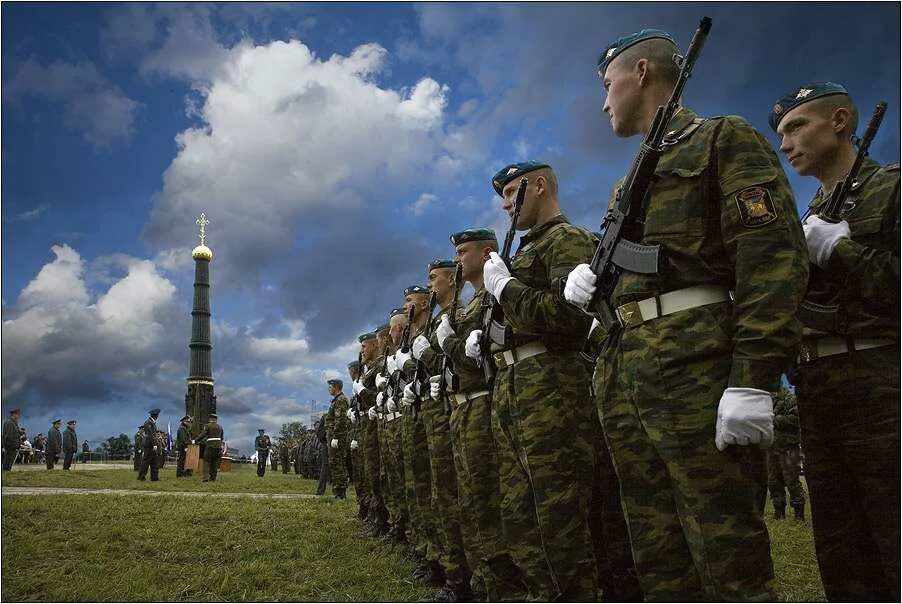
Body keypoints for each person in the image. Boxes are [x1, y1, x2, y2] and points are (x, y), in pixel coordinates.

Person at [564, 29, 808, 599]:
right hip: (628, 371)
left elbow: (772, 261)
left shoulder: (721, 139)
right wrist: (594, 287)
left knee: (724, 548)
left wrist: (753, 379)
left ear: (642, 73)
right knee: (655, 547)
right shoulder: (626, 185)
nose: (603, 102)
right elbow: (640, 272)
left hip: (694, 367)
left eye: (607, 85)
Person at [771, 81, 900, 601]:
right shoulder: (811, 217)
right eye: (780, 133)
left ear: (842, 121)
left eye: (797, 126)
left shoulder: (892, 189)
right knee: (841, 550)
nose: (785, 143)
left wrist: (842, 252)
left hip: (881, 381)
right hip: (819, 391)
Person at [464, 162, 601, 601]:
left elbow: (569, 318)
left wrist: (505, 289)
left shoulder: (568, 240)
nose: (505, 205)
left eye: (510, 193)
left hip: (552, 388)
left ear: (538, 185)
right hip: (515, 388)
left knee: (559, 512)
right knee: (521, 512)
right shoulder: (523, 251)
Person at [766, 389, 805, 520]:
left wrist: (774, 419)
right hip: (771, 448)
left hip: (788, 448)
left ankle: (799, 513)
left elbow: (796, 418)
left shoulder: (789, 398)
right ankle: (779, 510)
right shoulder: (764, 400)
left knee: (792, 481)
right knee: (773, 481)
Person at [325, 378, 350, 499]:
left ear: (336, 387)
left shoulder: (341, 400)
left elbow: (340, 420)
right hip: (334, 435)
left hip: (338, 436)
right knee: (334, 462)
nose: (329, 389)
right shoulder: (336, 400)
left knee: (338, 462)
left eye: (330, 387)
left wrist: (335, 437)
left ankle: (341, 491)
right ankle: (337, 490)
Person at [195, 413, 225, 482]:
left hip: (210, 446)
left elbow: (203, 434)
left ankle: (205, 478)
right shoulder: (220, 427)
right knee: (215, 462)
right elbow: (222, 437)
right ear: (216, 420)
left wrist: (195, 440)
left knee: (206, 461)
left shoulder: (208, 426)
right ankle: (213, 478)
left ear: (210, 419)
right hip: (218, 446)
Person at [138, 409, 161, 481]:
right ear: (155, 416)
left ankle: (154, 477)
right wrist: (154, 444)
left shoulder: (152, 423)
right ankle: (141, 476)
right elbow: (150, 435)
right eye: (157, 415)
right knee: (146, 462)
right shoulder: (148, 423)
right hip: (149, 445)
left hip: (152, 445)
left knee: (154, 462)